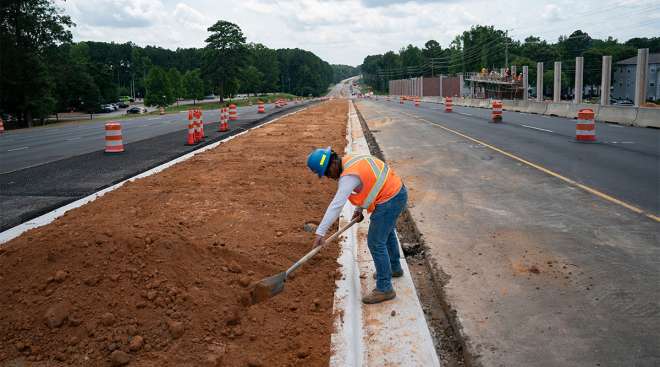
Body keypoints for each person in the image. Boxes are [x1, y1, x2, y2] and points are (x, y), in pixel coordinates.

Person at [307, 147, 408, 304]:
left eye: (326, 174)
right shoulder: (350, 160)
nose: (328, 177)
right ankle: (394, 268)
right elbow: (369, 182)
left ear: (331, 165)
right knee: (386, 234)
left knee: (375, 242)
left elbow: (336, 205)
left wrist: (320, 233)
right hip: (397, 191)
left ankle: (385, 288)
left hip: (389, 199)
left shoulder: (348, 177)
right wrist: (359, 208)